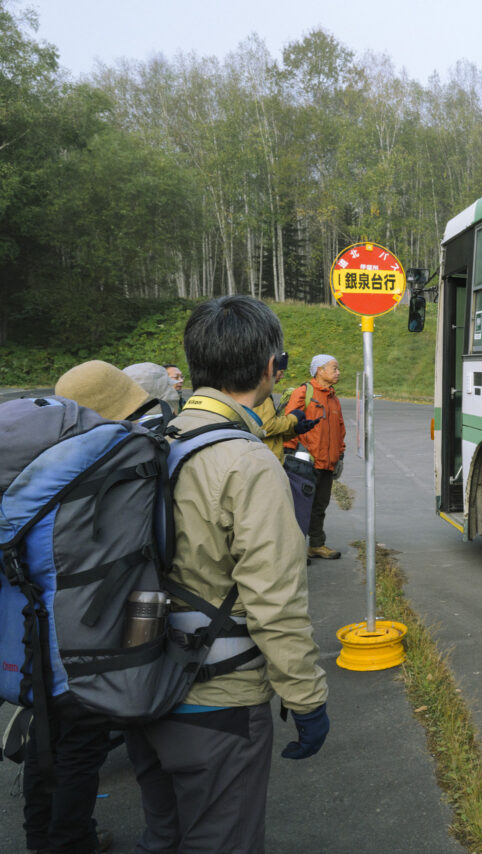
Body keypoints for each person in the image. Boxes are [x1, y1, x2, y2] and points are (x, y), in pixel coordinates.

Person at [125, 296, 329, 854]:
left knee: (162, 836)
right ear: (272, 368)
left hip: (140, 685)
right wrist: (306, 699)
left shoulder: (153, 441)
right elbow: (275, 601)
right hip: (218, 702)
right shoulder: (248, 462)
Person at [24, 360, 154, 854]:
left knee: (46, 746)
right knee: (79, 751)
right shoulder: (94, 474)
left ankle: (43, 840)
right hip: (79, 641)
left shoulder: (39, 469)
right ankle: (69, 842)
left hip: (32, 634)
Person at [284, 354, 346, 560]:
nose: (338, 372)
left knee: (320, 506)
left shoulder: (333, 398)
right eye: (334, 368)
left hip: (327, 464)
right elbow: (289, 424)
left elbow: (340, 429)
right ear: (320, 370)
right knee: (299, 507)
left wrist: (340, 455)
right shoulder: (304, 393)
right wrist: (289, 456)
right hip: (305, 464)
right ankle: (295, 550)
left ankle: (317, 545)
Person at [250, 351, 319, 462]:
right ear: (270, 369)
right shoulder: (260, 395)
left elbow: (271, 436)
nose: (282, 376)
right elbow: (266, 427)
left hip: (269, 459)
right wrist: (293, 418)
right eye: (280, 372)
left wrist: (295, 430)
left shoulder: (258, 392)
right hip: (265, 461)